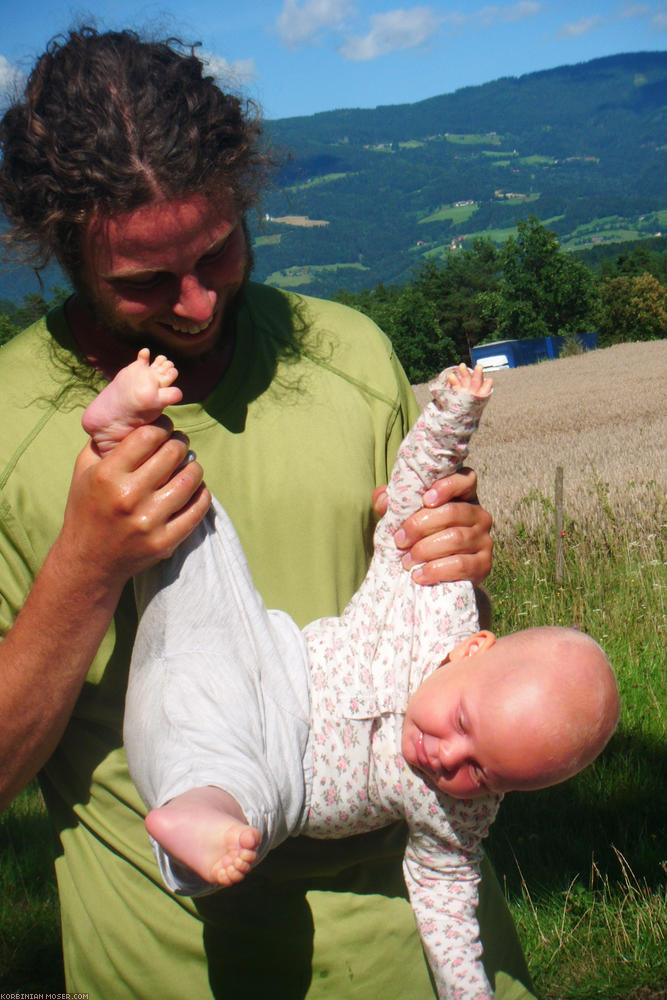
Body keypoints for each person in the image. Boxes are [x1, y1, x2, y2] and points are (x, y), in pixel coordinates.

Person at [0, 26, 535, 1000]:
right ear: (56, 243)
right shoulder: (7, 429)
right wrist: (85, 563)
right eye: (146, 283)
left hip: (415, 956)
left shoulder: (352, 355)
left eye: (219, 249)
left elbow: (439, 656)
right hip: (168, 967)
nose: (199, 304)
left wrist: (464, 573)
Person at [82, 352, 619, 999]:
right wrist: (455, 412)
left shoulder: (457, 813)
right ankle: (127, 435)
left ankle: (199, 814)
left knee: (253, 798)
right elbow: (417, 494)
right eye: (462, 724)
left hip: (276, 757)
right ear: (474, 647)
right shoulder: (436, 606)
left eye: (484, 773)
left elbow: (447, 901)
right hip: (260, 656)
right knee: (198, 544)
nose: (446, 759)